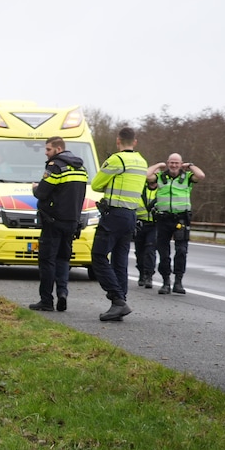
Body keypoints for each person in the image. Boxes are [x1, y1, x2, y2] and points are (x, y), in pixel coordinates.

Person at [90, 127, 148, 322]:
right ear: (135, 142)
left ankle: (117, 300)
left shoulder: (116, 160)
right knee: (120, 260)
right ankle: (120, 301)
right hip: (131, 215)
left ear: (118, 141)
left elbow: (96, 185)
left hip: (114, 214)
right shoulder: (142, 162)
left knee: (98, 255)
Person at [28, 137, 87, 312]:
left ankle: (46, 300)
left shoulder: (55, 166)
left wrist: (35, 188)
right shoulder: (81, 168)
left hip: (53, 221)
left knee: (47, 260)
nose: (46, 153)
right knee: (63, 259)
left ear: (58, 148)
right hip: (72, 221)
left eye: (48, 149)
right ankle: (62, 292)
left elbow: (42, 192)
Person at [147, 154, 206, 294]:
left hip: (181, 219)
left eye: (176, 163)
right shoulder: (161, 177)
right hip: (163, 219)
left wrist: (190, 165)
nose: (174, 165)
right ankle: (165, 282)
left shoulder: (187, 177)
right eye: (171, 163)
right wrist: (157, 165)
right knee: (163, 252)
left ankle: (178, 281)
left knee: (181, 251)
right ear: (168, 163)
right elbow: (146, 175)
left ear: (181, 164)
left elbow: (201, 175)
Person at [133, 183, 158, 288]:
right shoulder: (140, 189)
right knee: (139, 251)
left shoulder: (162, 191)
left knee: (150, 250)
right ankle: (141, 273)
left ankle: (149, 275)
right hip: (140, 224)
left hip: (154, 225)